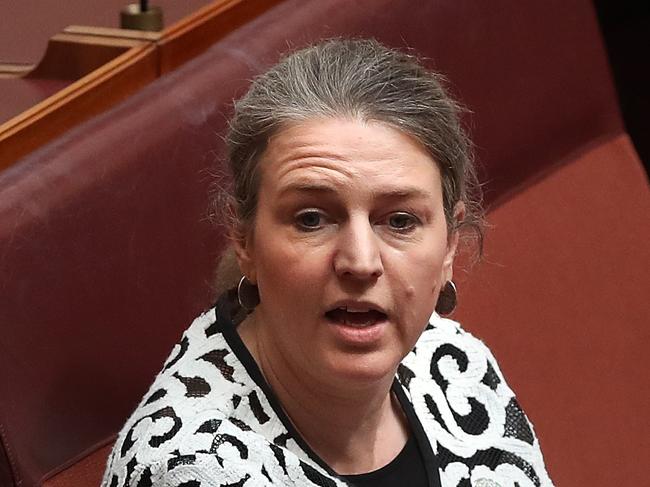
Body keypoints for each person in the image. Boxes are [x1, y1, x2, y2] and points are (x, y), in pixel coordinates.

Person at [102, 39, 553, 487]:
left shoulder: (452, 363)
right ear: (244, 238)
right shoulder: (190, 468)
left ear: (451, 243)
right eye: (312, 219)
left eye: (399, 220)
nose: (360, 262)